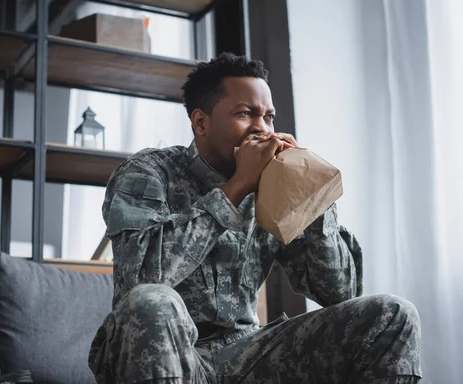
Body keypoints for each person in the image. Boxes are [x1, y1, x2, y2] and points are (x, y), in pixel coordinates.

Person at [88, 52, 421, 384]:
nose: (261, 128)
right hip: (164, 351)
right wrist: (235, 188)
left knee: (392, 314)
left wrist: (313, 196)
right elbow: (142, 278)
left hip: (244, 357)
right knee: (151, 301)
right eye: (245, 113)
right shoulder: (149, 171)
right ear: (201, 122)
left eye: (269, 117)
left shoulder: (274, 185)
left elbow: (339, 294)